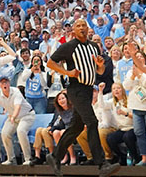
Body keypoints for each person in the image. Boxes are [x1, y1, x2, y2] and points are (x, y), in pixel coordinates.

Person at [45, 19, 120, 177]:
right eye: (78, 26)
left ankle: (55, 156)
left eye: (84, 25)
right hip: (75, 89)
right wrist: (68, 73)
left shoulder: (93, 46)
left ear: (88, 29)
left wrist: (100, 66)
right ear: (73, 29)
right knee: (92, 122)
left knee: (76, 127)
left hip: (88, 89)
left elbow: (99, 72)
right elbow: (50, 63)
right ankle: (102, 164)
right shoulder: (69, 46)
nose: (81, 28)